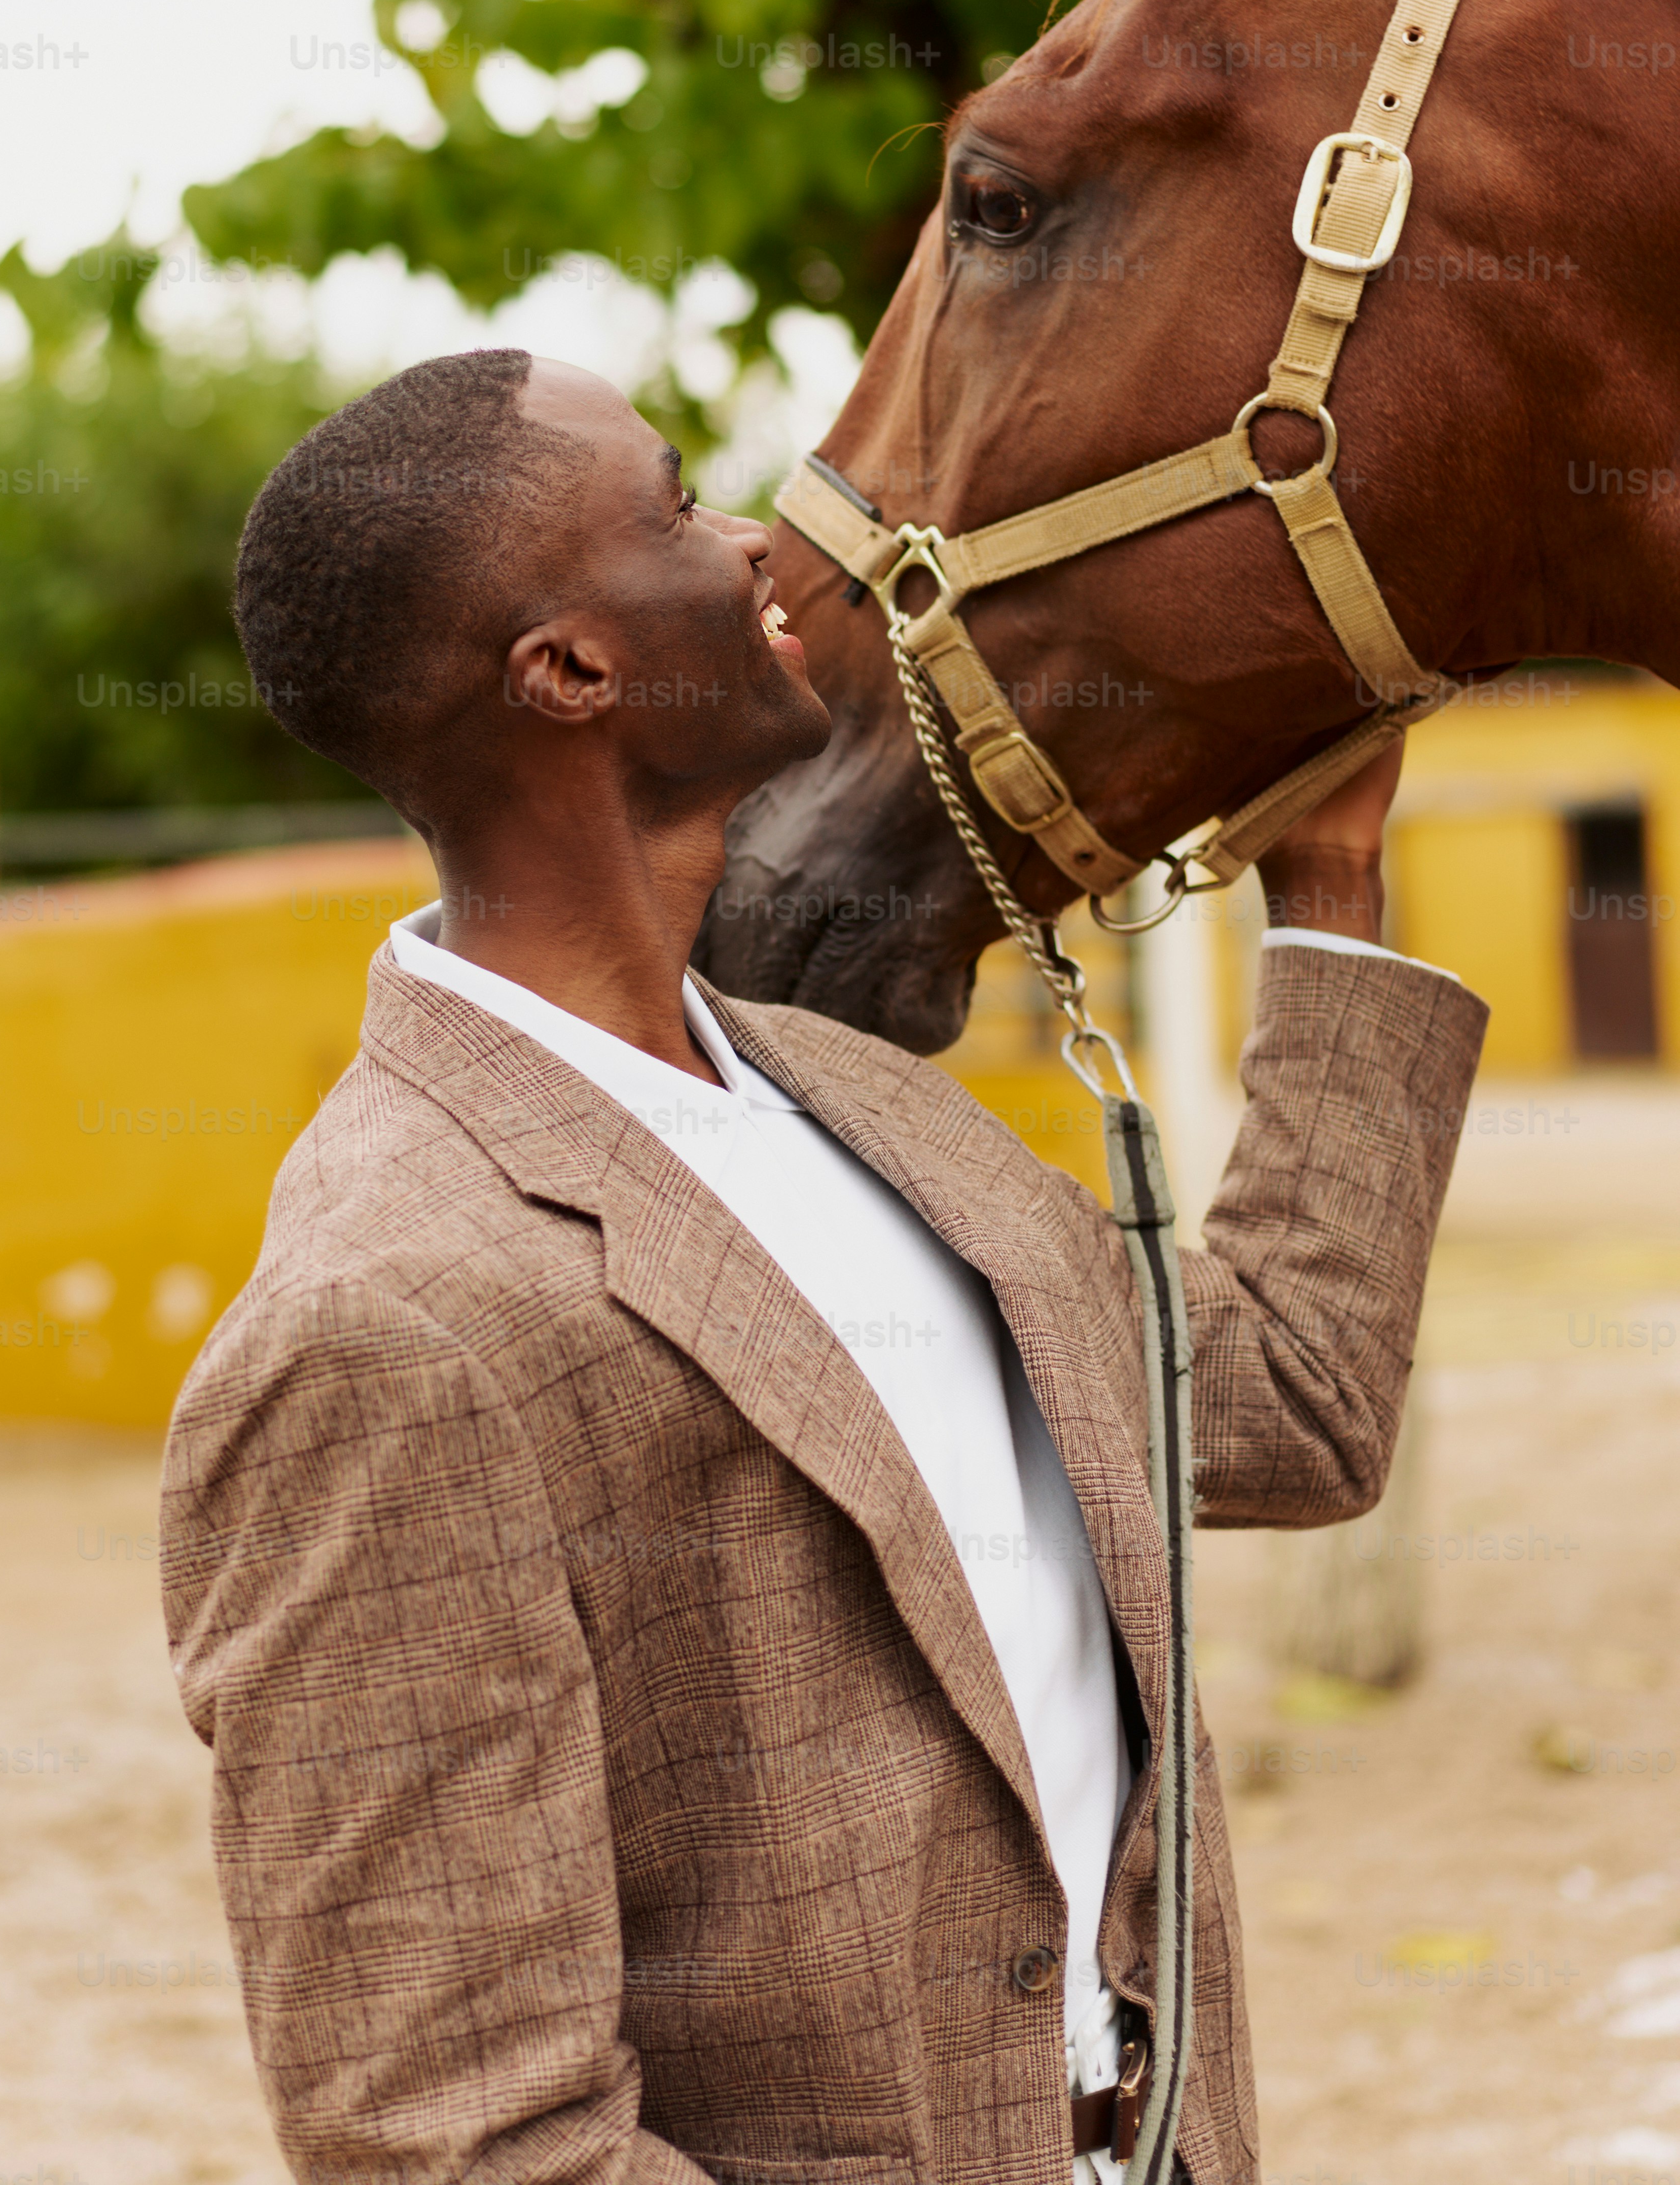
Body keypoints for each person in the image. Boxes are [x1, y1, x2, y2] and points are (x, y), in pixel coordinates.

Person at [161, 348, 1484, 2185]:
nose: (769, 546)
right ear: (571, 670)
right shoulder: (383, 1326)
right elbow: (457, 2141)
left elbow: (1287, 1410)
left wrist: (1330, 890)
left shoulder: (866, 1109)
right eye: (682, 498)